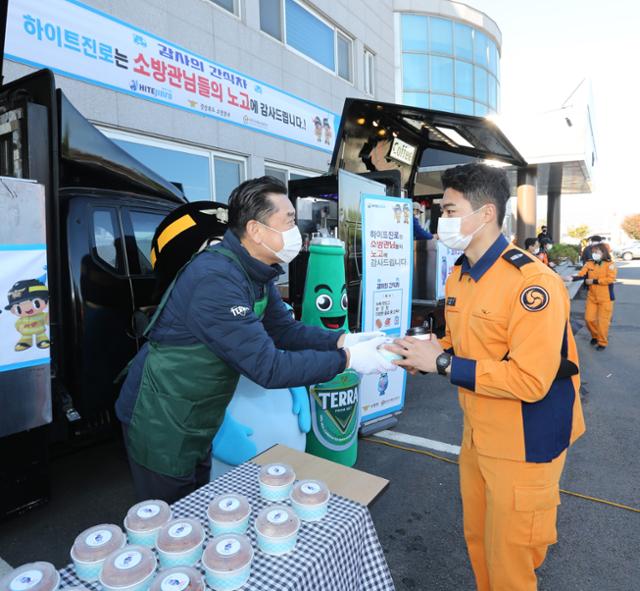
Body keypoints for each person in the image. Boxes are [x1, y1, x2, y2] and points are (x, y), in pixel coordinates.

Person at [115, 176, 394, 503]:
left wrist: (344, 340)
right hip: (162, 416)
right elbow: (268, 367)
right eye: (289, 220)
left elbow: (286, 331)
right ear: (256, 230)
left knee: (199, 502)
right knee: (171, 519)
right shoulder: (216, 279)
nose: (296, 230)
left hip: (199, 412)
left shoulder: (256, 271)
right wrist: (348, 360)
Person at [384, 162, 585, 591]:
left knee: (511, 562)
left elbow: (532, 380)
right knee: (480, 543)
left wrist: (441, 364)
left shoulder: (533, 283)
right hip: (479, 434)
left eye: (450, 209)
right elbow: (460, 345)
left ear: (486, 213)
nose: (441, 220)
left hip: (526, 442)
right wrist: (419, 352)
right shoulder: (462, 273)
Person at [565, 243, 617, 350]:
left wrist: (593, 281)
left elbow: (610, 279)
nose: (594, 254)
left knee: (603, 322)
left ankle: (602, 342)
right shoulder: (589, 263)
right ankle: (595, 335)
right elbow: (582, 274)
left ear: (603, 253)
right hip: (592, 296)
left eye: (597, 252)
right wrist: (571, 278)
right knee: (589, 319)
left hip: (606, 298)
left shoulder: (610, 264)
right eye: (593, 252)